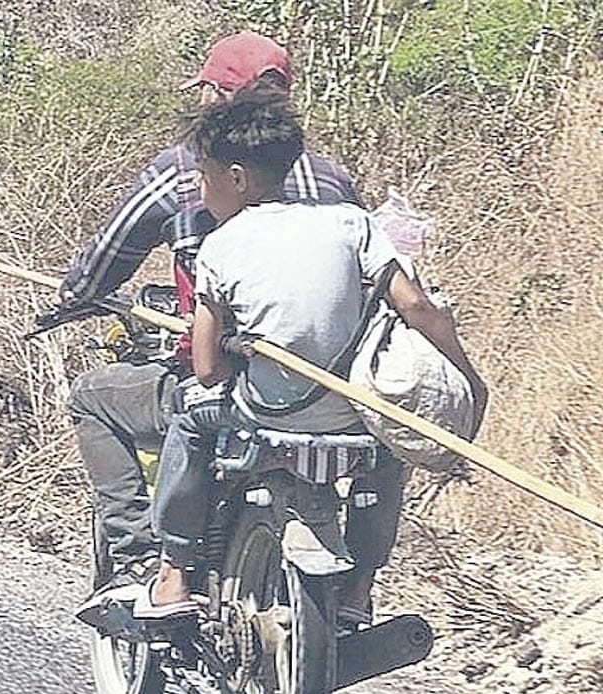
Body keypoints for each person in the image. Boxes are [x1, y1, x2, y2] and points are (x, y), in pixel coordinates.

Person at [130, 87, 488, 620]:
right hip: (354, 413)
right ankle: (360, 588)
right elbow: (417, 306)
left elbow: (206, 368)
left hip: (263, 412)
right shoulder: (350, 222)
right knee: (389, 451)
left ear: (235, 177)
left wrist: (237, 353)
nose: (203, 191)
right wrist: (467, 376)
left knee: (188, 417)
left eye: (204, 177)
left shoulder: (222, 245)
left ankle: (175, 574)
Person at [67, 33, 367, 617]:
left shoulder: (186, 175)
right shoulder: (333, 184)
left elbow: (107, 263)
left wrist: (76, 297)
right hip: (331, 388)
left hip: (233, 381)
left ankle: (144, 559)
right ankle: (358, 588)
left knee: (98, 400)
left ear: (216, 95)